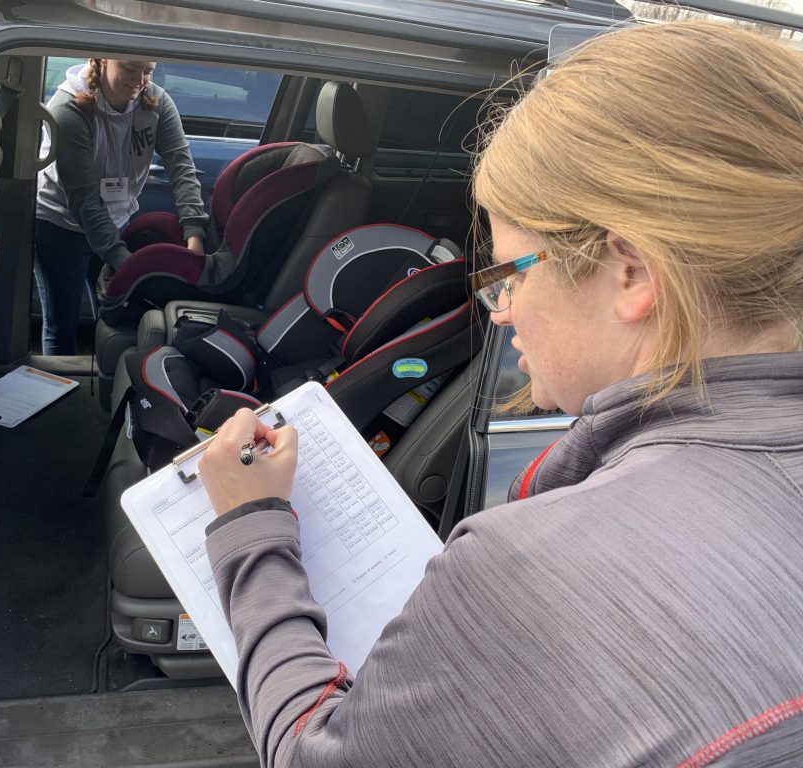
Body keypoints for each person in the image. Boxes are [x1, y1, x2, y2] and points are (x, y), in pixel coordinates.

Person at [195, 21, 803, 767]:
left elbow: (309, 756)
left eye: (512, 271)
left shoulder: (533, 572)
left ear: (633, 275)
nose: (500, 307)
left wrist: (251, 525)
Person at [34, 58, 208, 354]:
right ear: (102, 61)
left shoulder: (156, 101)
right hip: (60, 225)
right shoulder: (69, 110)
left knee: (115, 314)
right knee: (61, 323)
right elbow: (84, 200)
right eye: (129, 68)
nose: (139, 80)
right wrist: (126, 263)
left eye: (148, 70)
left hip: (117, 220)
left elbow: (181, 167)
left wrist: (195, 233)